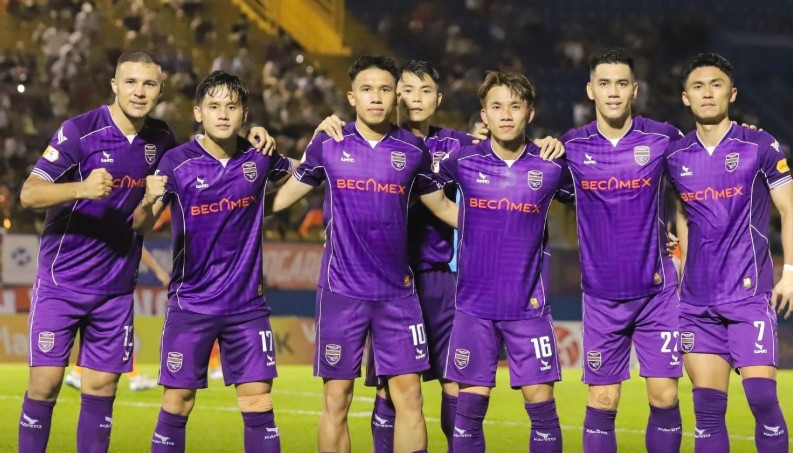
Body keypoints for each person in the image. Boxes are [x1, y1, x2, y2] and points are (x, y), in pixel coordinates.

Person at [17, 50, 273, 453]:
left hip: (116, 287)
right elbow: (29, 194)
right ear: (115, 85)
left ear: (160, 91)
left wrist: (251, 130)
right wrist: (81, 188)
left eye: (149, 84)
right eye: (131, 82)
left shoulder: (162, 141)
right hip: (62, 281)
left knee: (101, 388)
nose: (139, 91)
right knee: (45, 384)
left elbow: (210, 148)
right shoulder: (79, 131)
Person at [272, 55, 458, 453]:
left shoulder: (413, 151)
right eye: (367, 89)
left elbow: (441, 206)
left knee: (410, 399)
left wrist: (504, 223)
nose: (377, 97)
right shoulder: (330, 141)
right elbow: (285, 195)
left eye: (385, 90)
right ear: (351, 96)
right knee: (336, 401)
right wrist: (236, 206)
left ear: (396, 98)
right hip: (342, 291)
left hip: (398, 295)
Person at [133, 70, 296, 453]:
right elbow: (139, 225)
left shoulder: (258, 156)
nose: (222, 114)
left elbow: (308, 175)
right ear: (198, 113)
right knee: (178, 403)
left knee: (258, 404)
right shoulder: (176, 162)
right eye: (213, 106)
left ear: (244, 114)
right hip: (192, 303)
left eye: (232, 107)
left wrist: (270, 188)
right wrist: (146, 198)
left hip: (247, 307)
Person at [432, 71, 571, 453]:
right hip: (474, 307)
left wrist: (661, 232)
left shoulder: (552, 165)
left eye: (515, 106)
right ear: (484, 115)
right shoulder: (462, 161)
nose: (506, 114)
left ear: (530, 112)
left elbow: (600, 204)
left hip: (528, 308)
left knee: (541, 407)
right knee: (469, 410)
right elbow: (415, 186)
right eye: (497, 106)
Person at [665, 52, 792, 453]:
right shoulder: (674, 156)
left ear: (731, 93)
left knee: (762, 399)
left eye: (715, 85)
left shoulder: (760, 145)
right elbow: (665, 210)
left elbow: (789, 209)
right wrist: (666, 240)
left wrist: (791, 271)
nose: (707, 93)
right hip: (696, 301)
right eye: (698, 87)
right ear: (685, 98)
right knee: (706, 411)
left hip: (749, 294)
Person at [560, 48, 685, 453]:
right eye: (604, 83)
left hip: (657, 293)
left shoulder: (662, 138)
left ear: (634, 89)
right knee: (603, 400)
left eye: (620, 83)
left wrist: (737, 131)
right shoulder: (569, 148)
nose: (612, 92)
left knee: (664, 396)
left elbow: (706, 167)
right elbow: (521, 174)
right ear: (590, 90)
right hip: (601, 297)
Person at [63, 246, 169, 392]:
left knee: (109, 333)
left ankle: (77, 373)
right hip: (108, 286)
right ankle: (134, 378)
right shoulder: (122, 227)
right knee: (120, 331)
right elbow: (138, 246)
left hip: (96, 283)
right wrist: (159, 271)